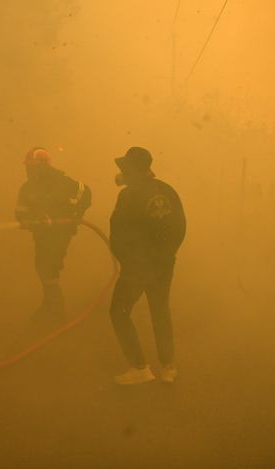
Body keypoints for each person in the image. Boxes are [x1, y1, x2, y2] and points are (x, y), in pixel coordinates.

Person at [109, 147, 186, 385]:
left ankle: (139, 368)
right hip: (163, 264)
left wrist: (128, 263)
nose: (121, 172)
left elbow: (118, 235)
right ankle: (168, 368)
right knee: (160, 310)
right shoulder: (167, 190)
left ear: (133, 170)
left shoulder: (128, 195)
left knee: (118, 312)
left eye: (125, 168)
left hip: (137, 268)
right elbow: (180, 227)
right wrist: (167, 256)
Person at [15, 147, 92, 323]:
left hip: (60, 233)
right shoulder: (27, 188)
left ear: (43, 166)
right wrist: (28, 220)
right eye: (27, 167)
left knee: (49, 265)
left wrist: (76, 214)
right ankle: (51, 303)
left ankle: (56, 308)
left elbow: (85, 193)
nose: (28, 171)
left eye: (32, 167)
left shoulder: (62, 183)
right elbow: (20, 211)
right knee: (42, 265)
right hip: (41, 234)